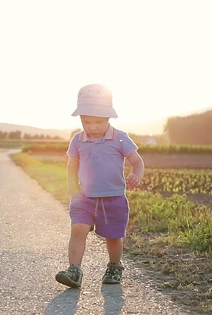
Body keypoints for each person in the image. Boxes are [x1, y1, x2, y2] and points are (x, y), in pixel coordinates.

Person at [55, 83, 145, 288]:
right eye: (87, 122)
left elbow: (137, 161)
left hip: (113, 197)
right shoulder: (78, 140)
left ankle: (114, 265)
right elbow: (72, 166)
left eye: (98, 122)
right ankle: (74, 270)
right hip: (84, 196)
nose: (93, 127)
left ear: (109, 118)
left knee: (112, 236)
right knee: (78, 229)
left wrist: (137, 175)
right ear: (80, 119)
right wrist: (73, 188)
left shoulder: (120, 138)